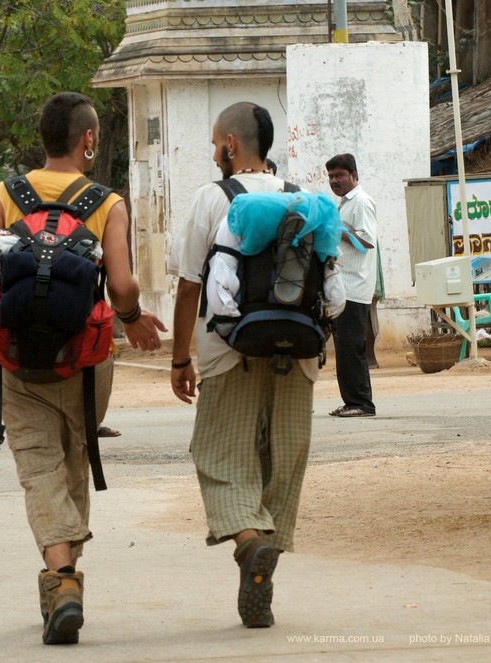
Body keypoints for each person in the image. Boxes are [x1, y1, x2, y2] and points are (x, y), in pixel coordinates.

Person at [0, 91, 165, 646]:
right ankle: (64, 578)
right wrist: (131, 318)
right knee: (75, 450)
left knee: (39, 465)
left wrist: (0, 311)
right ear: (88, 139)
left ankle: (63, 579)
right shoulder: (107, 202)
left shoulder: (6, 195)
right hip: (87, 357)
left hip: (20, 357)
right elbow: (121, 284)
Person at [169, 101, 316, 629]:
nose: (214, 153)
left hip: (228, 351)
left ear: (231, 145)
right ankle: (262, 554)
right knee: (278, 463)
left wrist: (180, 357)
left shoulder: (213, 198)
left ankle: (249, 542)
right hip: (298, 354)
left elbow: (189, 285)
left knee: (221, 457)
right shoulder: (303, 198)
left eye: (215, 144)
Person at [326, 153, 377, 417]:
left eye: (340, 175)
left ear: (354, 176)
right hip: (342, 285)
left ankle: (362, 404)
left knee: (352, 346)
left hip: (354, 286)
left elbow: (366, 242)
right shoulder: (344, 204)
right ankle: (351, 401)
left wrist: (336, 229)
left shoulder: (361, 202)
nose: (335, 180)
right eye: (331, 176)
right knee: (344, 347)